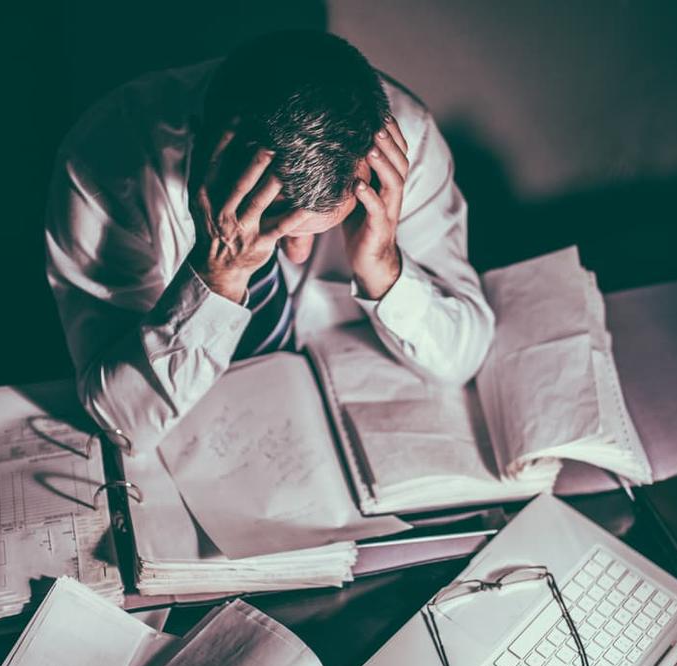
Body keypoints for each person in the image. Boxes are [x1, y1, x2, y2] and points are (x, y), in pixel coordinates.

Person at [45, 30, 494, 453]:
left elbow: (460, 360)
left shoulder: (402, 144)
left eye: (315, 234)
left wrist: (383, 268)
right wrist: (218, 276)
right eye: (274, 230)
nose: (297, 254)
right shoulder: (105, 161)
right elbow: (122, 423)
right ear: (206, 148)